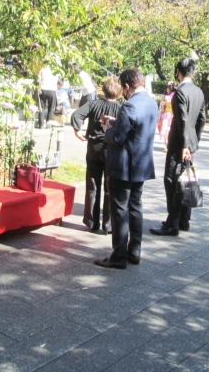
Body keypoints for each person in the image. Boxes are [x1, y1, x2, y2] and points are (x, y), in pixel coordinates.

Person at [94, 68, 158, 269]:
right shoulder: (151, 103)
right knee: (135, 207)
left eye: (123, 88)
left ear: (128, 86)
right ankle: (134, 250)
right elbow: (136, 128)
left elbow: (116, 138)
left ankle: (119, 255)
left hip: (123, 166)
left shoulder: (130, 106)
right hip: (141, 165)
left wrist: (107, 128)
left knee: (120, 209)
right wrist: (116, 122)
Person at [150, 58, 206, 237]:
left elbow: (181, 120)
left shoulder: (180, 92)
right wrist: (194, 142)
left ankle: (172, 223)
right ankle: (184, 220)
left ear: (178, 72)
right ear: (194, 72)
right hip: (189, 145)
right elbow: (202, 119)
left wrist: (184, 145)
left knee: (173, 181)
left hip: (178, 145)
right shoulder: (199, 92)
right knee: (185, 180)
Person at [71, 77, 122, 234]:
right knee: (110, 187)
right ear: (120, 92)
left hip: (93, 147)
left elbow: (76, 115)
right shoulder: (121, 108)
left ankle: (91, 221)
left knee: (92, 184)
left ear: (103, 89)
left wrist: (77, 131)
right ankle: (108, 224)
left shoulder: (94, 104)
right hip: (111, 149)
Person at [157, 82, 176, 149]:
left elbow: (161, 107)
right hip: (174, 115)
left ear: (169, 88)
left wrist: (160, 114)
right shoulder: (177, 96)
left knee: (166, 130)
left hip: (167, 115)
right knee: (173, 129)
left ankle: (167, 145)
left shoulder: (165, 97)